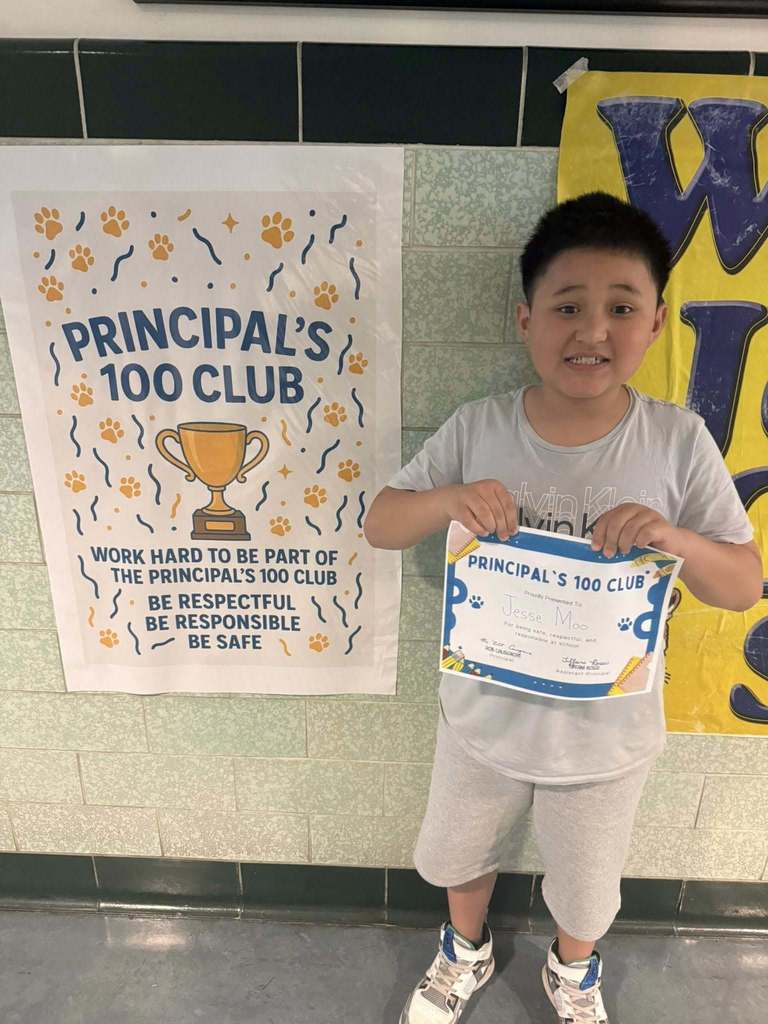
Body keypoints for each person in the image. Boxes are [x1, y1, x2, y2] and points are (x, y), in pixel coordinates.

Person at [363, 191, 763, 1024]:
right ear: (524, 318)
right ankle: (462, 951)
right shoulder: (479, 428)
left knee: (587, 889)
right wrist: (450, 500)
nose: (592, 331)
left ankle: (573, 970)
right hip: (482, 715)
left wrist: (671, 537)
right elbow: (380, 523)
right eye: (567, 307)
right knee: (456, 853)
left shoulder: (677, 440)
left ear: (655, 324)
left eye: (621, 307)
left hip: (607, 733)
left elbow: (743, 583)